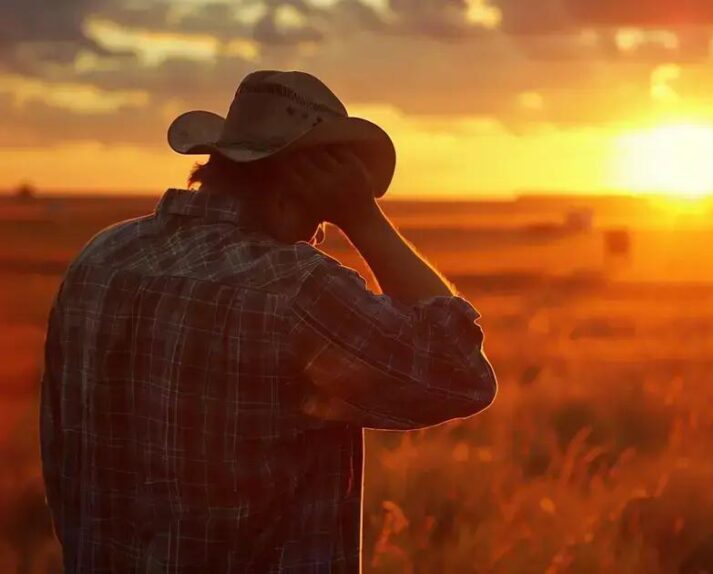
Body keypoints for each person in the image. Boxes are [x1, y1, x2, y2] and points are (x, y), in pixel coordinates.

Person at [39, 70, 497, 573]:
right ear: (296, 183)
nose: (317, 235)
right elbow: (459, 372)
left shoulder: (101, 259)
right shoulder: (293, 287)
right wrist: (363, 218)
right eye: (319, 215)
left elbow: (62, 457)